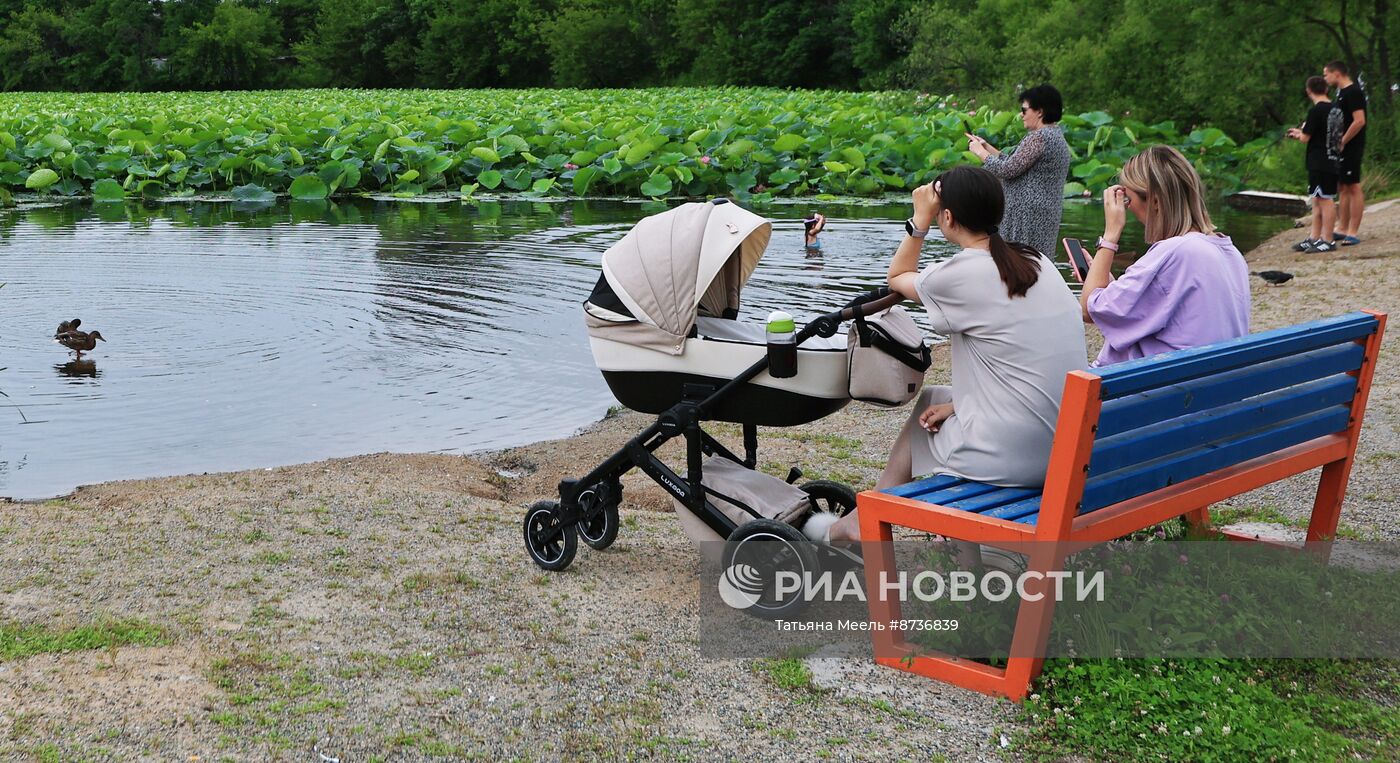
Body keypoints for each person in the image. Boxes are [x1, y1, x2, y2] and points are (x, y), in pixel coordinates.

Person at [813, 166, 1087, 544]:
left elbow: (897, 277)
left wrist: (918, 221)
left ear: (948, 216)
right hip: (1067, 452)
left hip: (1015, 459)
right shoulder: (1036, 261)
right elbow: (1022, 365)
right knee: (936, 400)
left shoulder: (960, 272)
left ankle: (867, 519)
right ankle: (886, 522)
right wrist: (959, 404)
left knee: (924, 423)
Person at [1081, 145, 1250, 367]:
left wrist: (1110, 235)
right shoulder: (1229, 252)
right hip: (1209, 388)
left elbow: (1089, 310)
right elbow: (1170, 306)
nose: (1126, 209)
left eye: (1127, 201)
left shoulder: (1176, 253)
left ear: (1156, 202)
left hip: (1159, 394)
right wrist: (1112, 285)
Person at [966, 84, 1071, 258]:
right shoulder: (1054, 135)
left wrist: (980, 152)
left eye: (1024, 110)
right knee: (1036, 264)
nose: (1022, 115)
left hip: (1027, 216)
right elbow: (1015, 162)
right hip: (1041, 213)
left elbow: (1007, 170)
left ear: (1039, 111)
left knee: (1019, 264)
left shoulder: (1039, 137)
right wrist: (987, 147)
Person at [1286, 76, 1343, 253]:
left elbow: (1305, 138)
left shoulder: (1315, 111)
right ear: (1326, 89)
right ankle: (1314, 237)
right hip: (1333, 158)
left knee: (1325, 200)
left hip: (1319, 160)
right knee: (1318, 199)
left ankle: (1328, 240)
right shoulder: (1336, 109)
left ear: (1309, 91)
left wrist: (1297, 134)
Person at [1323, 60, 1367, 246]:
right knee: (1343, 187)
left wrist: (1343, 141)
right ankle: (1342, 227)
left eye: (1326, 74)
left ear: (1337, 74)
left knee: (1353, 186)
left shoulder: (1354, 92)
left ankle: (1353, 231)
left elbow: (1359, 121)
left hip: (1352, 146)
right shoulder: (1340, 94)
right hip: (1340, 147)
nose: (1325, 78)